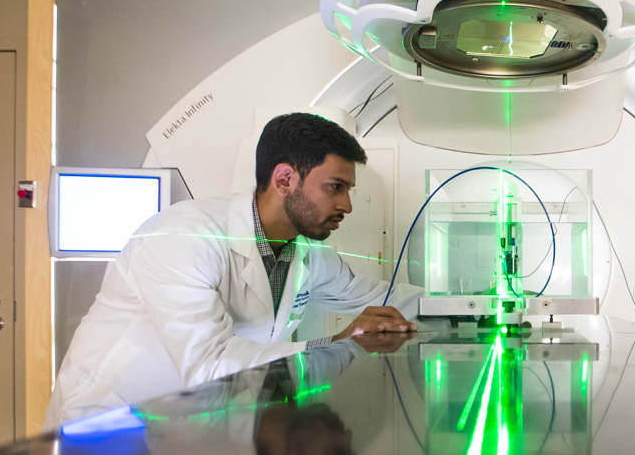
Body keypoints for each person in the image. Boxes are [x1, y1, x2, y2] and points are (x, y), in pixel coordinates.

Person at [45, 113, 419, 428]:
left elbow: (380, 300)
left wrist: (471, 304)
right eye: (336, 187)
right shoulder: (182, 237)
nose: (348, 205)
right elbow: (209, 365)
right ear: (285, 179)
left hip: (197, 422)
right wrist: (333, 345)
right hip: (112, 418)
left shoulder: (305, 250)